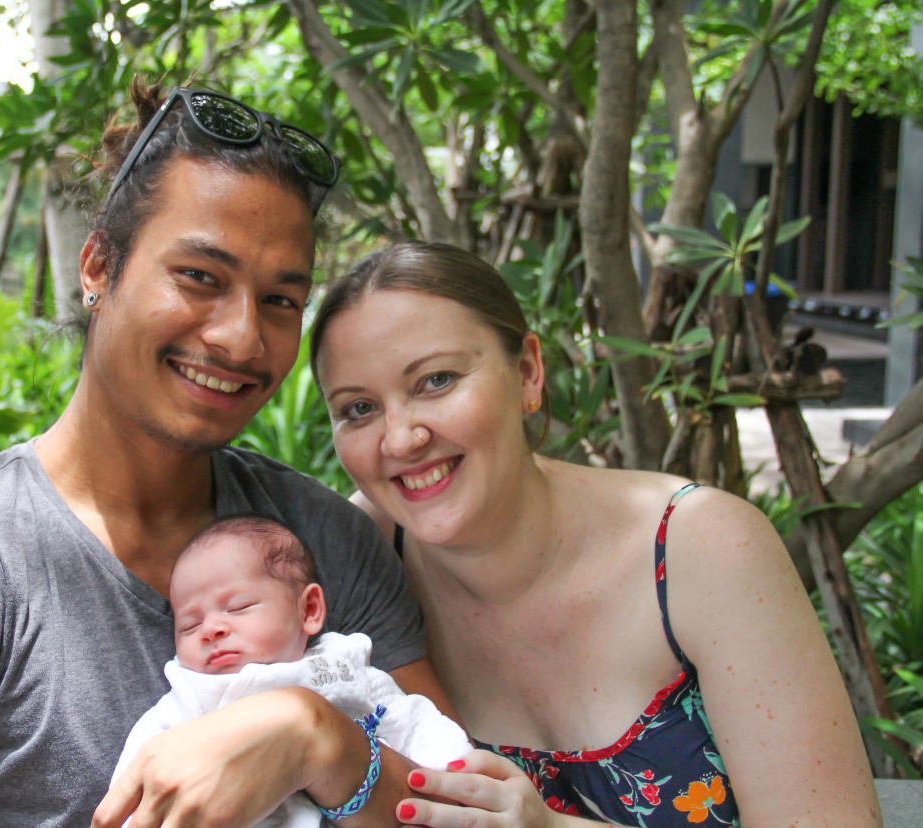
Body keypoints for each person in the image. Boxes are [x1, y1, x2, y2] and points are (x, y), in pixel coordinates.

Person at [0, 81, 451, 828]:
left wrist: (318, 738)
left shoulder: (324, 543)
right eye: (200, 277)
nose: (240, 337)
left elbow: (461, 802)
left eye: (280, 300)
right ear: (99, 267)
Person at [309, 240, 883, 828]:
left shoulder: (700, 547)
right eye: (358, 409)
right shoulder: (354, 557)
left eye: (436, 380)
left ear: (528, 372)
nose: (401, 439)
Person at [114, 514, 470, 828]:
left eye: (238, 607)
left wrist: (458, 771)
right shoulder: (188, 700)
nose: (211, 629)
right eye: (189, 625)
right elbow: (141, 775)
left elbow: (411, 720)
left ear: (310, 609)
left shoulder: (340, 668)